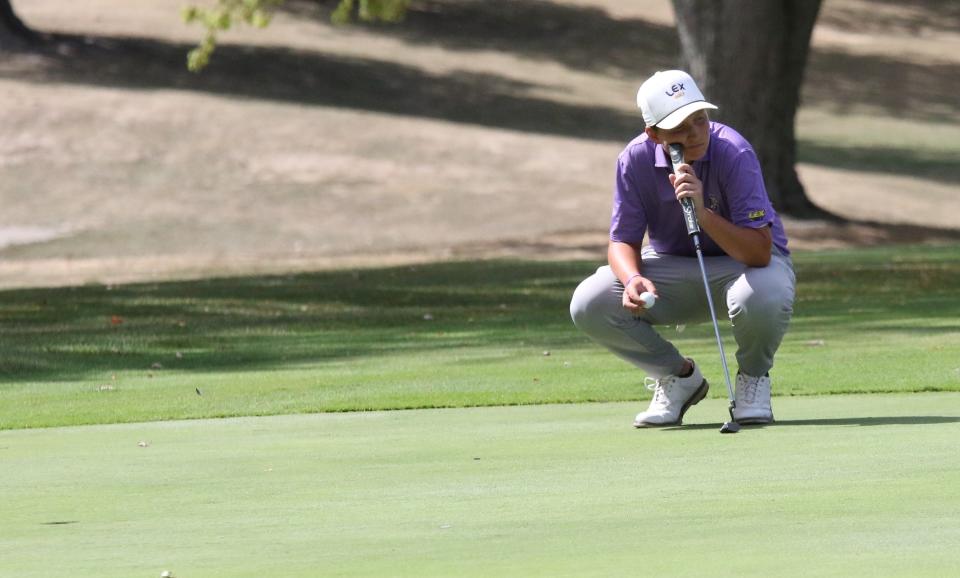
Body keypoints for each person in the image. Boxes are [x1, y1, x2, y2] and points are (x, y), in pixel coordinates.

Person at [569, 70, 795, 428]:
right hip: (673, 269)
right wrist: (631, 279)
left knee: (764, 292)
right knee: (590, 300)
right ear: (653, 133)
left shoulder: (734, 151)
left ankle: (753, 379)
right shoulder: (634, 159)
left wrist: (702, 213)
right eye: (678, 128)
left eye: (700, 120)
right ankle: (679, 378)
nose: (694, 133)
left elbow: (760, 253)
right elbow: (622, 240)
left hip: (744, 268)